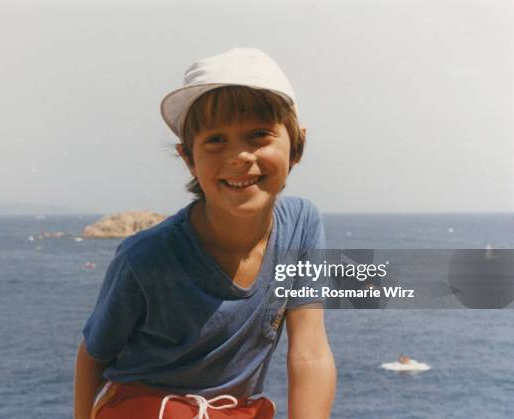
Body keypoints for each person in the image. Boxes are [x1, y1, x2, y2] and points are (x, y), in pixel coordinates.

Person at [74, 48, 336, 419]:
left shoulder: (302, 225)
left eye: (259, 135)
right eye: (215, 140)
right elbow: (93, 354)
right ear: (188, 158)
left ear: (297, 145)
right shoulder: (146, 258)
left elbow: (310, 352)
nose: (239, 156)